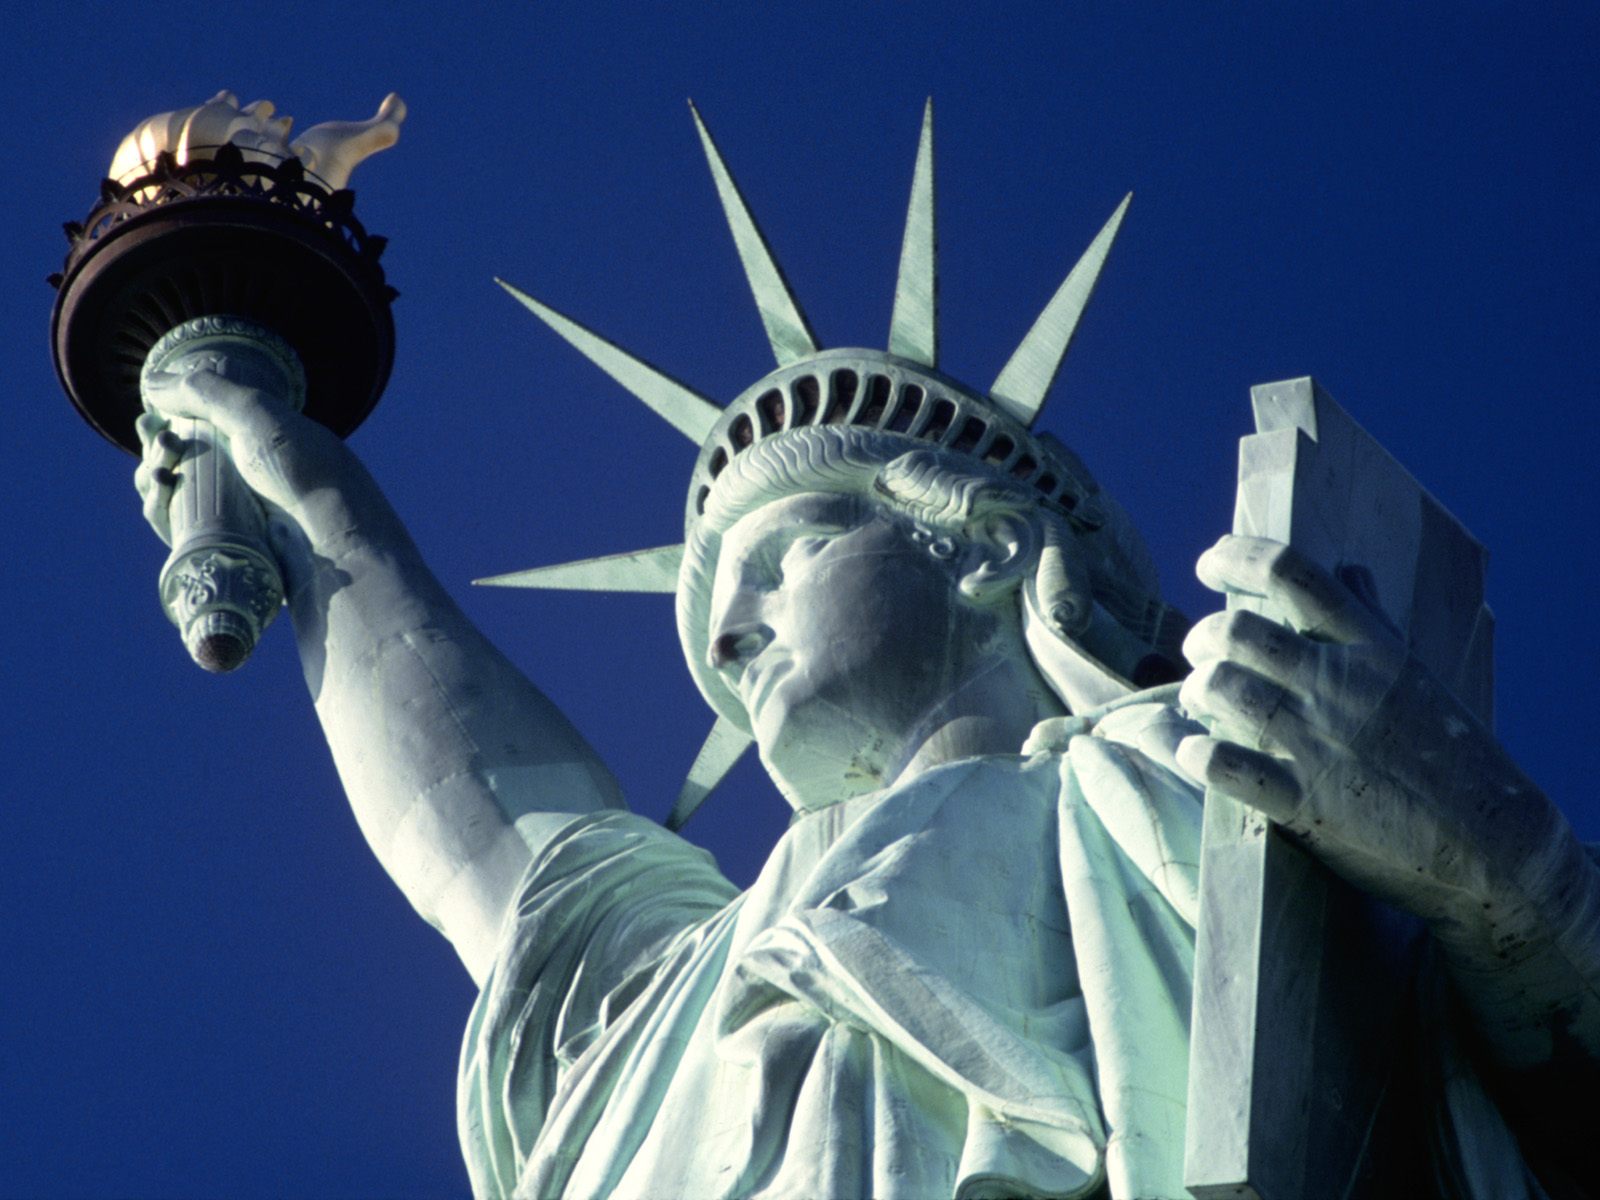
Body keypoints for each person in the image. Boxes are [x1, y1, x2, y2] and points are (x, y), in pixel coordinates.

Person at [132, 115, 1598, 1199]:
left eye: (790, 554)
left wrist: (1496, 863)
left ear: (977, 548)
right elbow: (487, 834)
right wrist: (294, 475)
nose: (727, 627)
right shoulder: (689, 979)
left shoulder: (1222, 782)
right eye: (724, 595)